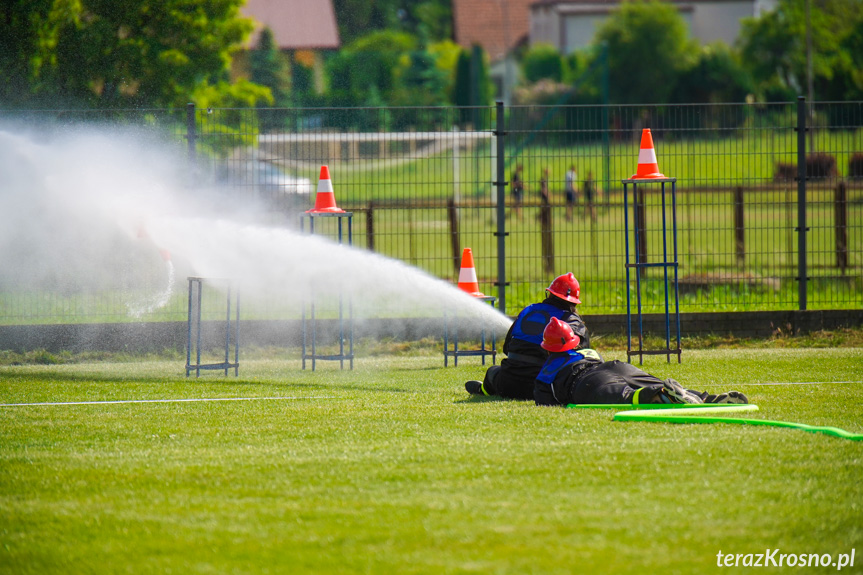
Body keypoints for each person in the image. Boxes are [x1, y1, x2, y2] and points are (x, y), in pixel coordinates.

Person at [533, 317, 749, 407]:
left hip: (585, 383)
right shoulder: (586, 352)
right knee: (647, 381)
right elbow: (601, 364)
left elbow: (547, 402)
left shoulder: (545, 374)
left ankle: (662, 395)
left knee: (626, 395)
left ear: (547, 348)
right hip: (613, 365)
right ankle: (707, 398)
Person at [465, 273, 590, 401]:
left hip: (507, 383)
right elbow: (582, 358)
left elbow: (507, 349)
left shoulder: (528, 310)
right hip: (543, 385)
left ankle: (483, 389)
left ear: (550, 293)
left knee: (493, 371)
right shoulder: (573, 321)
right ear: (574, 303)